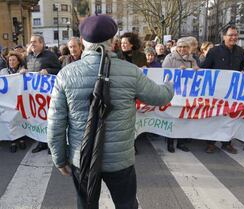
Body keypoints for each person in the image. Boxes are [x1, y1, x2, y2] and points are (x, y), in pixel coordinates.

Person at [47, 15, 174, 209]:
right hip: (120, 160)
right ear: (113, 42)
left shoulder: (66, 74)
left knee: (86, 205)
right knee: (126, 204)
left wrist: (59, 158)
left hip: (82, 158)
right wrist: (169, 85)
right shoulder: (130, 71)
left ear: (83, 42)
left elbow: (55, 122)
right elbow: (160, 97)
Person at [200, 25, 244, 154]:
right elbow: (205, 68)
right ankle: (210, 143)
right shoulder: (214, 51)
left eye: (236, 35)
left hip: (232, 92)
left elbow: (243, 68)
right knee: (214, 117)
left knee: (230, 118)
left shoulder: (240, 51)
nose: (234, 37)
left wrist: (243, 73)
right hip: (216, 91)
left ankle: (227, 142)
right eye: (231, 35)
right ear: (224, 36)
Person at [25, 34, 61, 154]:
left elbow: (59, 70)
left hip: (48, 95)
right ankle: (41, 142)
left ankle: (51, 144)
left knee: (49, 119)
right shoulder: (29, 56)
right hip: (34, 96)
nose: (32, 44)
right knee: (37, 119)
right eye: (31, 42)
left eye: (35, 42)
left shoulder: (50, 55)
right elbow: (28, 70)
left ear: (42, 43)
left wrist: (49, 71)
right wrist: (24, 71)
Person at [162, 38, 198, 153]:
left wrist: (196, 70)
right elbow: (164, 72)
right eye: (180, 47)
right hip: (173, 92)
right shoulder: (170, 58)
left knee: (183, 118)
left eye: (185, 47)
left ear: (189, 48)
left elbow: (197, 74)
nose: (182, 49)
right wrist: (176, 71)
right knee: (173, 117)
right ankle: (170, 142)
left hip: (186, 94)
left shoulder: (192, 60)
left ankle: (181, 142)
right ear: (176, 47)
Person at [0, 51, 28, 153]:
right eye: (10, 60)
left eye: (14, 60)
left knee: (20, 119)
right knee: (10, 121)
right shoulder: (3, 72)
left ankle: (22, 138)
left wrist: (25, 73)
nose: (11, 62)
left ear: (18, 61)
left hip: (20, 99)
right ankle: (13, 141)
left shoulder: (23, 71)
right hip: (7, 100)